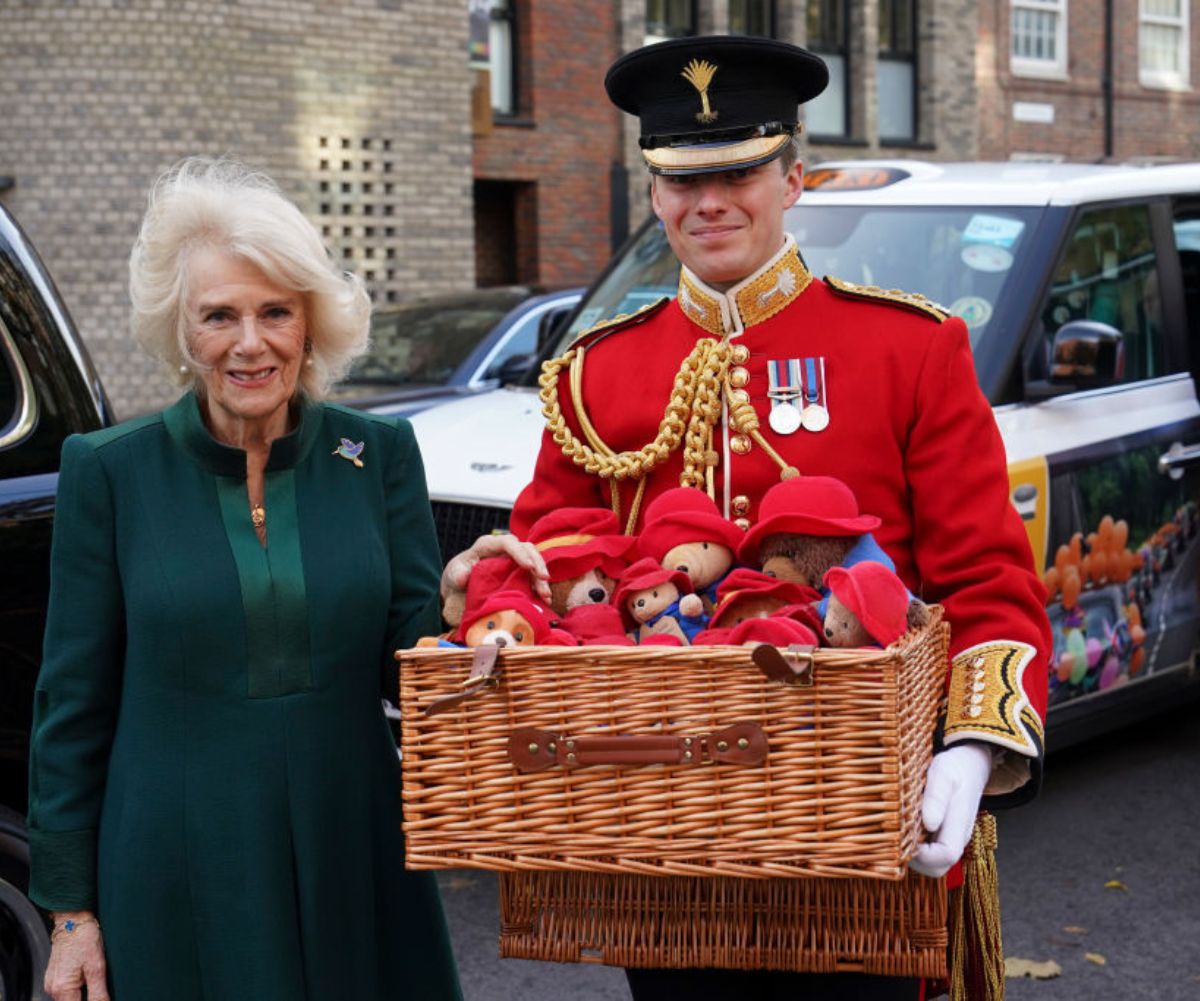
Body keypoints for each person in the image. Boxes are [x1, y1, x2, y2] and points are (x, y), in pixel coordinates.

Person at [443, 35, 1050, 1000]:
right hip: (660, 816)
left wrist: (974, 746)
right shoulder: (595, 368)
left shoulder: (910, 346)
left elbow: (989, 578)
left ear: (793, 178)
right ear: (652, 193)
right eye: (682, 178)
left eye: (738, 172)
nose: (709, 201)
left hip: (854, 806)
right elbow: (552, 569)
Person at [28, 158, 463, 1001]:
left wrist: (466, 600)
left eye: (275, 311)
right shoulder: (109, 471)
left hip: (354, 840)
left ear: (311, 322)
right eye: (218, 315)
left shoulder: (377, 455)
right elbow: (71, 703)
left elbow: (412, 659)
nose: (250, 341)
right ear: (181, 330)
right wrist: (70, 911)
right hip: (175, 857)